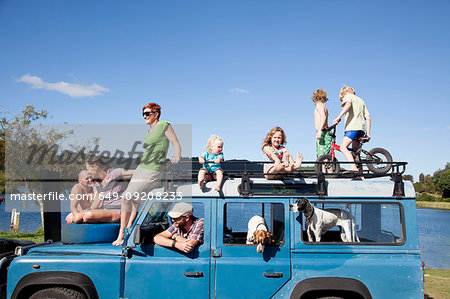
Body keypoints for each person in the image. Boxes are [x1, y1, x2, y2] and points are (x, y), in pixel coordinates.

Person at [113, 102, 181, 246]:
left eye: (147, 113)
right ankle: (128, 230)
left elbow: (175, 142)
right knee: (134, 200)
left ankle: (121, 234)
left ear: (156, 114)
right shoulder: (149, 130)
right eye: (143, 114)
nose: (145, 116)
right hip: (142, 166)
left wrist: (177, 157)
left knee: (127, 197)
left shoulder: (164, 125)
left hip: (155, 168)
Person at [73, 157, 134, 223]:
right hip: (106, 210)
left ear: (95, 167)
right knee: (72, 217)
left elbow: (135, 173)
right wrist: (86, 210)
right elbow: (97, 201)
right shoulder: (97, 182)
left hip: (120, 211)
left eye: (88, 169)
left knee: (89, 215)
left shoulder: (114, 173)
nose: (88, 172)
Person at [333, 86, 371, 173]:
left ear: (343, 93)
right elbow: (368, 117)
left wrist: (338, 118)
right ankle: (360, 174)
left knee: (343, 147)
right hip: (361, 129)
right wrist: (368, 133)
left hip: (352, 127)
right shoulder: (361, 101)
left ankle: (353, 168)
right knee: (355, 153)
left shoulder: (348, 96)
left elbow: (348, 105)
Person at [313, 89, 332, 157]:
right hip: (323, 131)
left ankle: (326, 168)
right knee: (321, 156)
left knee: (322, 156)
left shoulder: (319, 105)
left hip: (323, 132)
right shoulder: (322, 105)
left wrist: (319, 131)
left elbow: (323, 117)